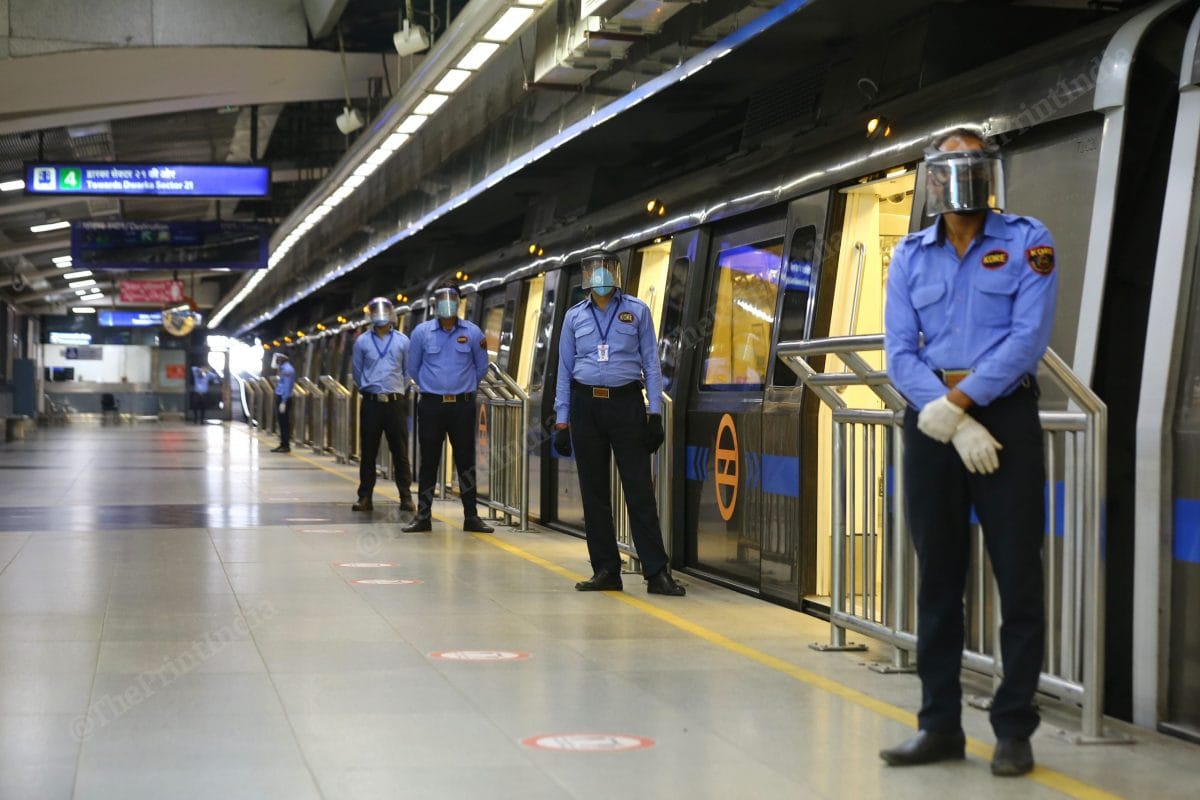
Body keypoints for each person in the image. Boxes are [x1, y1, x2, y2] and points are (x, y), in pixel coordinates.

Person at [880, 127, 1057, 777]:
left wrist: (964, 407)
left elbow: (1028, 337)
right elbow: (899, 349)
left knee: (1018, 574)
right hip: (930, 421)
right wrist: (948, 418)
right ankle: (939, 725)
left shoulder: (1028, 241)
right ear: (931, 180)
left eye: (971, 164)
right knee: (938, 580)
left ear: (990, 173)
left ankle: (1013, 729)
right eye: (948, 167)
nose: (959, 177)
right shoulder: (909, 255)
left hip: (1002, 412)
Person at [552, 252, 684, 596]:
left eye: (606, 270)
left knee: (639, 488)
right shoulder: (573, 318)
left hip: (626, 403)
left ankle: (656, 572)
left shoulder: (637, 311)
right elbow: (564, 370)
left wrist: (654, 412)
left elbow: (652, 365)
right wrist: (562, 421)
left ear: (616, 273)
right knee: (594, 492)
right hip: (585, 405)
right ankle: (606, 569)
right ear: (585, 277)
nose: (600, 277)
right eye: (594, 271)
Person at [402, 281, 494, 533]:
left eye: (451, 298)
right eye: (442, 298)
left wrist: (463, 386)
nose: (447, 303)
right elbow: (413, 368)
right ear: (435, 304)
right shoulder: (421, 333)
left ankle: (471, 517)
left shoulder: (474, 333)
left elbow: (481, 367)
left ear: (458, 302)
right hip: (431, 405)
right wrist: (434, 388)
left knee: (466, 461)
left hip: (463, 406)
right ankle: (423, 516)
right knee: (428, 461)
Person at [351, 297, 415, 513]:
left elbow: (408, 372)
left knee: (400, 452)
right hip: (371, 404)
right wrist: (371, 388)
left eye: (385, 310)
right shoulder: (362, 342)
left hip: (395, 404)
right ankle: (365, 497)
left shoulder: (402, 341)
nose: (381, 314)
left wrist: (396, 388)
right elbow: (357, 373)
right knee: (368, 452)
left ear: (391, 314)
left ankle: (405, 497)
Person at [271, 353, 295, 453]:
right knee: (281, 422)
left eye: (278, 358)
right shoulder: (283, 368)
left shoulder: (287, 370)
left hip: (284, 398)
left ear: (283, 358)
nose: (276, 360)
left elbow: (287, 386)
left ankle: (286, 445)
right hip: (281, 397)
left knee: (284, 422)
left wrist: (284, 402)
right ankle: (283, 443)